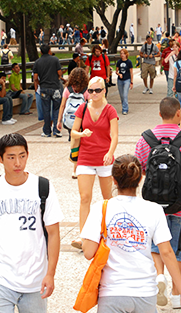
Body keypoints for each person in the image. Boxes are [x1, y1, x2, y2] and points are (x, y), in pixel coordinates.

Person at [81, 154, 181, 313]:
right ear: (140, 179)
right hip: (145, 293)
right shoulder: (154, 209)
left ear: (113, 180)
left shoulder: (101, 208)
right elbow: (167, 252)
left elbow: (88, 252)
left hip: (112, 292)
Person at [0, 133, 63, 312]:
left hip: (35, 280)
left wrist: (50, 274)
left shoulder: (43, 187)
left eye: (22, 156)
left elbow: (53, 233)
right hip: (0, 277)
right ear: (0, 158)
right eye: (11, 157)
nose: (18, 163)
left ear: (27, 155)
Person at [135, 98, 181, 309]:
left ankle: (159, 276)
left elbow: (140, 169)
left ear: (159, 114)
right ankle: (176, 295)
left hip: (154, 204)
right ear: (178, 115)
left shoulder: (145, 139)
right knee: (179, 248)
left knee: (157, 245)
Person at [70, 77, 118, 249]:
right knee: (85, 197)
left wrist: (110, 153)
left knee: (107, 199)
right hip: (85, 157)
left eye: (97, 90)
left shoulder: (110, 110)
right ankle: (84, 236)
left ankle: (109, 233)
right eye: (91, 90)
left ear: (104, 90)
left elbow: (114, 135)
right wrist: (82, 134)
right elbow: (73, 132)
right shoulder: (82, 109)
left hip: (104, 158)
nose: (94, 94)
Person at [32, 44, 64, 138]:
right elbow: (59, 72)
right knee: (56, 108)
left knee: (46, 109)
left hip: (44, 88)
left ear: (40, 51)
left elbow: (35, 77)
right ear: (49, 50)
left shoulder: (37, 62)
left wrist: (39, 83)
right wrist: (58, 78)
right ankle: (57, 130)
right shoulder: (55, 60)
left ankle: (47, 131)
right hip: (55, 87)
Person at [115, 49, 134, 115]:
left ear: (126, 54)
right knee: (121, 95)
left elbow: (131, 73)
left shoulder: (129, 62)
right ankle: (124, 105)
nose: (122, 55)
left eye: (123, 53)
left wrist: (131, 82)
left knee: (125, 94)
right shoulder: (119, 62)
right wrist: (119, 74)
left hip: (127, 79)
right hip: (120, 80)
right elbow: (116, 71)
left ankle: (125, 109)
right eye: (121, 53)